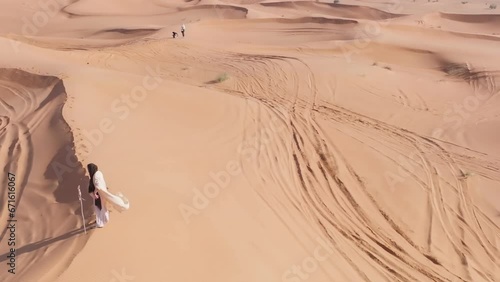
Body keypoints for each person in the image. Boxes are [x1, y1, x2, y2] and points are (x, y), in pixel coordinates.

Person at [87, 163, 110, 228]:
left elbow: (97, 186)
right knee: (100, 208)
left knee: (99, 208)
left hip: (98, 195)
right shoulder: (97, 175)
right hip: (99, 195)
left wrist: (95, 193)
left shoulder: (95, 176)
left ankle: (101, 222)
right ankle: (102, 220)